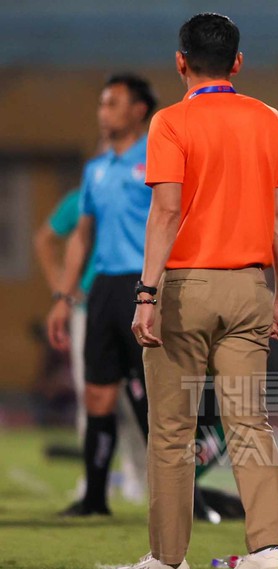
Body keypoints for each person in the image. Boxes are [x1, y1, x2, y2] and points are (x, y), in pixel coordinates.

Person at [114, 13, 278, 569]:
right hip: (250, 286)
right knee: (250, 424)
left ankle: (169, 560)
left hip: (185, 288)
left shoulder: (170, 122)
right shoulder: (271, 120)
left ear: (180, 61)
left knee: (172, 429)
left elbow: (166, 211)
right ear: (237, 63)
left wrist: (147, 293)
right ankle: (267, 551)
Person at [46, 74, 157, 516]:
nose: (103, 111)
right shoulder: (96, 169)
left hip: (145, 285)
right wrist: (63, 294)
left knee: (153, 400)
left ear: (138, 110)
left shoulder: (158, 159)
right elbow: (81, 237)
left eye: (112, 103)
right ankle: (95, 497)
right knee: (98, 395)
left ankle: (178, 496)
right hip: (103, 290)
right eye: (101, 103)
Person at [35, 184, 148, 503]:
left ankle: (137, 475)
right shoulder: (90, 191)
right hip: (91, 306)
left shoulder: (145, 192)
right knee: (93, 394)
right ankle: (94, 477)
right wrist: (61, 287)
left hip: (138, 301)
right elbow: (47, 239)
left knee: (136, 396)